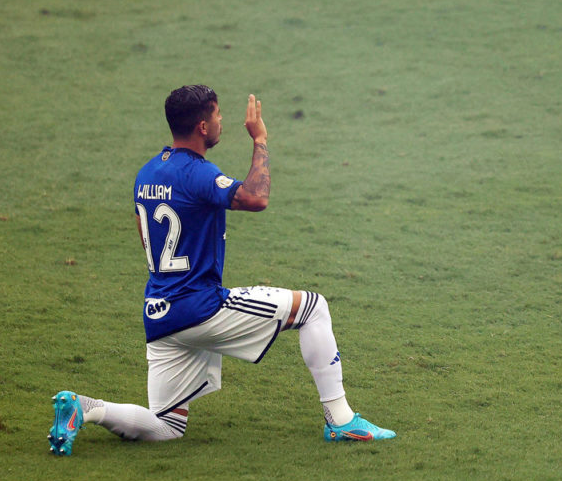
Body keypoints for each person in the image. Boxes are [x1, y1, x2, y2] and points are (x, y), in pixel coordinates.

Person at [48, 85, 395, 455]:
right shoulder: (198, 174)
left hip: (160, 315)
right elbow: (255, 197)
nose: (221, 121)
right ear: (201, 126)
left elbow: (145, 239)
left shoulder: (147, 174)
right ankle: (341, 421)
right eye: (216, 115)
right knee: (313, 308)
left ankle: (86, 409)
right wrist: (259, 140)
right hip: (200, 309)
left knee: (167, 426)